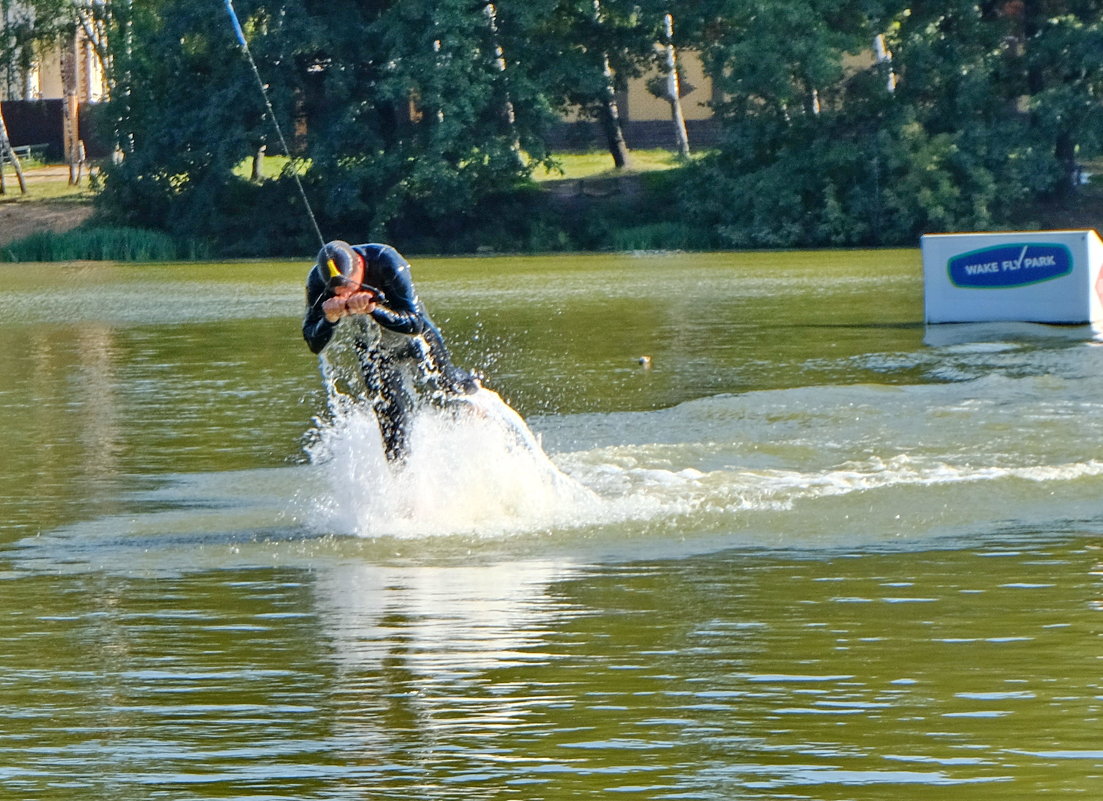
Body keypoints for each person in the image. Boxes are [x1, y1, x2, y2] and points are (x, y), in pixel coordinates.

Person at [303, 240, 479, 462]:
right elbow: (313, 342)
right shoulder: (317, 282)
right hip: (374, 348)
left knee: (448, 384)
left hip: (416, 338)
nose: (346, 297)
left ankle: (478, 401)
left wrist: (373, 309)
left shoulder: (386, 260)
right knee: (391, 423)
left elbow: (414, 324)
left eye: (350, 288)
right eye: (339, 293)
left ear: (359, 264)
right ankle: (401, 488)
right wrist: (329, 319)